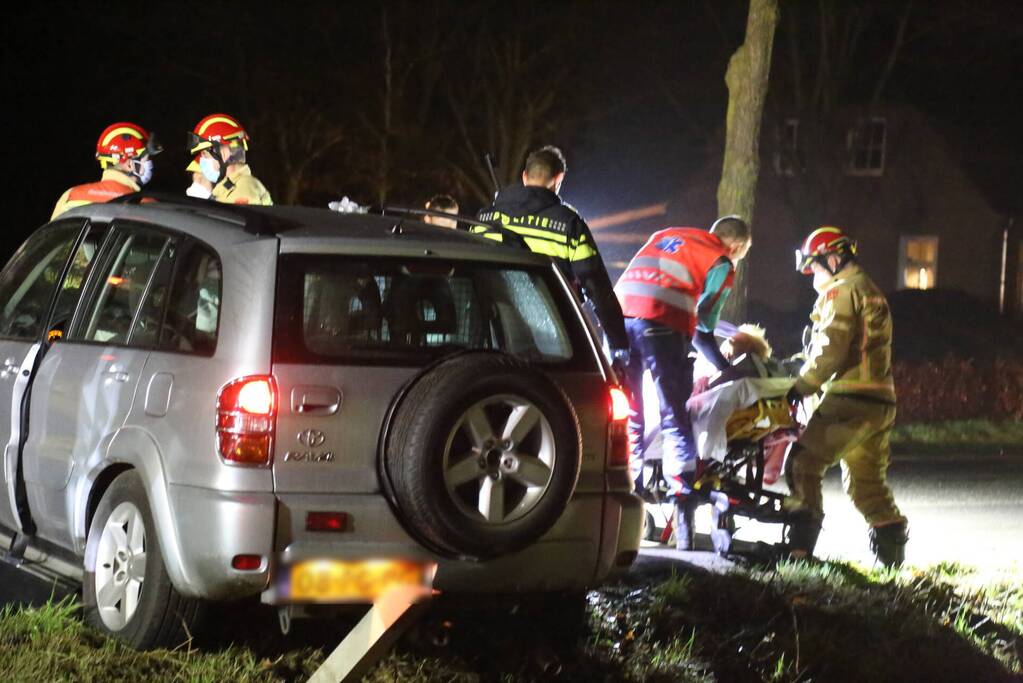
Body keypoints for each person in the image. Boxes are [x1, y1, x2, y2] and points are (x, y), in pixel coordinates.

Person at [615, 216, 752, 550]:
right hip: (661, 321)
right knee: (674, 414)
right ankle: (682, 506)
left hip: (617, 318)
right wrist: (727, 369)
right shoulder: (720, 261)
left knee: (627, 413)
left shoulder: (668, 234)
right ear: (735, 247)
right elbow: (704, 331)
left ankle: (624, 491)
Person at [785, 226, 908, 567]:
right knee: (866, 484)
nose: (812, 275)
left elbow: (830, 349)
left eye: (816, 266)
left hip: (848, 400)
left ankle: (799, 554)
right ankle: (893, 564)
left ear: (834, 259)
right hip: (879, 402)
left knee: (802, 463)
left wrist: (801, 386)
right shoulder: (871, 290)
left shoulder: (840, 292)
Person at [476, 145, 628, 355]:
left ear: (524, 176)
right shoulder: (569, 224)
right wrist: (618, 341)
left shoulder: (484, 219)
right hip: (552, 342)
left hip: (488, 337)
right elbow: (597, 286)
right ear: (559, 179)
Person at [52, 122, 162, 219]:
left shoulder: (72, 196)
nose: (150, 164)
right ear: (130, 164)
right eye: (146, 159)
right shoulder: (150, 207)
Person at [187, 113, 272, 205]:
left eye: (204, 154)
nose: (201, 161)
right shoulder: (229, 188)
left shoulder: (241, 191)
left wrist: (200, 206)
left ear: (224, 153)